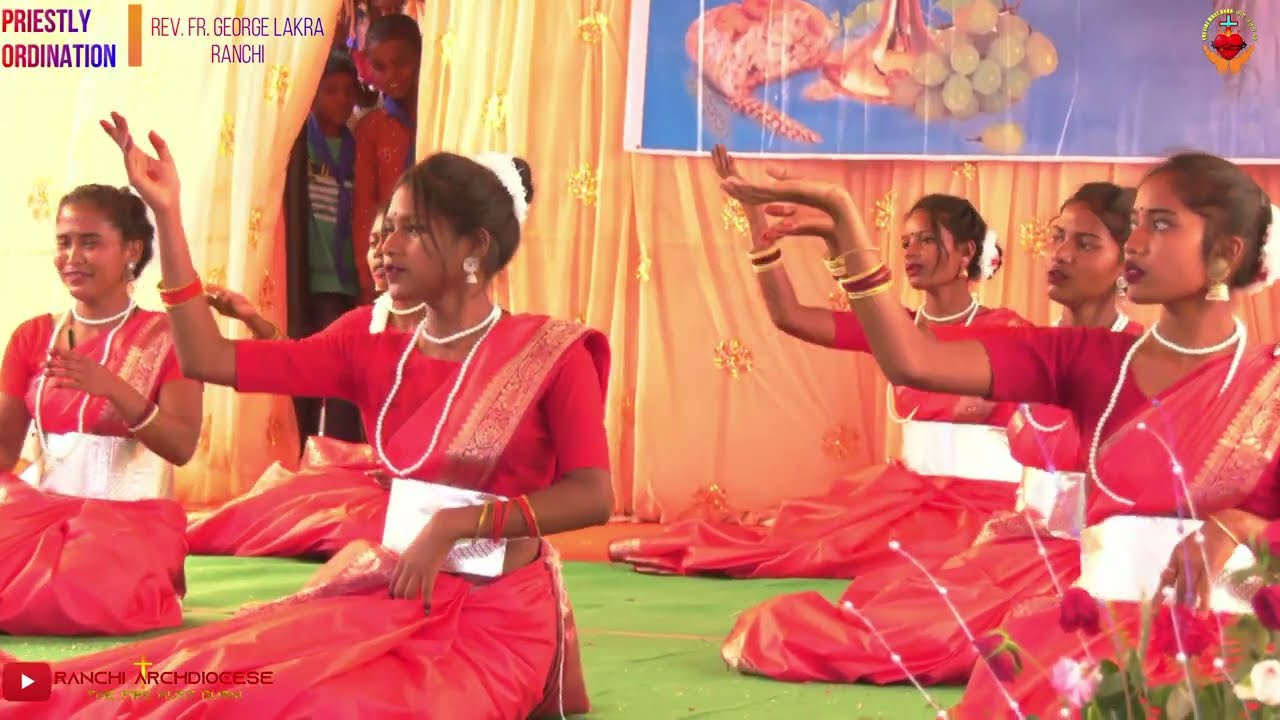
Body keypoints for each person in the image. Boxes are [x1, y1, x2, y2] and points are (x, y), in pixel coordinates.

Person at [8, 113, 611, 718]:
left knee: (338, 708)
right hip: (395, 593)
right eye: (388, 227)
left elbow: (592, 496)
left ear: (474, 246)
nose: (387, 246)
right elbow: (208, 356)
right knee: (224, 681)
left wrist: (456, 526)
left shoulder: (549, 353)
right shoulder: (370, 345)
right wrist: (167, 216)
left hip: (495, 616)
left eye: (414, 230)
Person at [717, 152, 1280, 717]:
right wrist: (846, 223)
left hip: (1243, 653)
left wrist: (1239, 525)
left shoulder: (1270, 381)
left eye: (1161, 225)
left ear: (1226, 253)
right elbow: (913, 360)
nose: (1135, 243)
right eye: (1135, 222)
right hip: (1099, 642)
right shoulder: (1083, 358)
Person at [721, 182, 1145, 687]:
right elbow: (908, 361)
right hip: (1016, 545)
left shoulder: (1143, 359)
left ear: (1129, 262)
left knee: (1010, 649)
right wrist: (836, 238)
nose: (1060, 253)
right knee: (885, 619)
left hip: (1100, 563)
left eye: (1085, 244)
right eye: (1057, 237)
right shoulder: (1030, 348)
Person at [610, 146, 1027, 580]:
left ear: (966, 251)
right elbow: (789, 315)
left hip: (982, 506)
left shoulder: (1008, 331)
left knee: (880, 554)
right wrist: (758, 225)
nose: (911, 251)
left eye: (926, 239)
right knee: (811, 538)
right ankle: (704, 552)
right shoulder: (896, 328)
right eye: (905, 241)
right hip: (907, 495)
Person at [0, 184, 201, 635]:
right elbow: (3, 451)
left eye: (90, 243)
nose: (73, 256)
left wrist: (117, 391)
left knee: (78, 590)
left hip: (131, 525)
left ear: (131, 250)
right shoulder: (33, 337)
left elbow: (183, 445)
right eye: (63, 242)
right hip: (41, 519)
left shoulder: (168, 336)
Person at [189, 212, 430, 559]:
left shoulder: (468, 328)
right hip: (378, 481)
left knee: (370, 530)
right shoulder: (363, 324)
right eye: (374, 241)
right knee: (276, 510)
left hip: (441, 497)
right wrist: (252, 319)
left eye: (394, 237)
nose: (381, 251)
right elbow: (298, 362)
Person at [352, 13, 421, 269]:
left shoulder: (439, 116)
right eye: (379, 67)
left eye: (401, 63)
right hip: (393, 253)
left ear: (420, 57)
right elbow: (364, 207)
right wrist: (368, 267)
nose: (392, 75)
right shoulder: (371, 129)